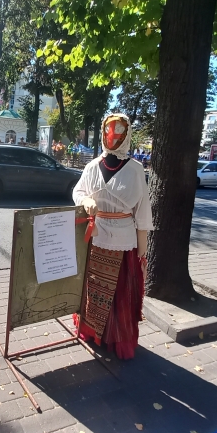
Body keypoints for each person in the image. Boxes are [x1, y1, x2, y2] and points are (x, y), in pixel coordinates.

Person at [72, 113, 152, 360]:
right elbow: (79, 191)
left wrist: (142, 252)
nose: (112, 136)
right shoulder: (91, 166)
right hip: (95, 239)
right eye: (109, 130)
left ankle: (115, 339)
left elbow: (143, 212)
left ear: (127, 135)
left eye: (119, 131)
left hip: (123, 243)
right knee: (93, 288)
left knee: (119, 294)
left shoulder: (136, 170)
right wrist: (85, 201)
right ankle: (92, 331)